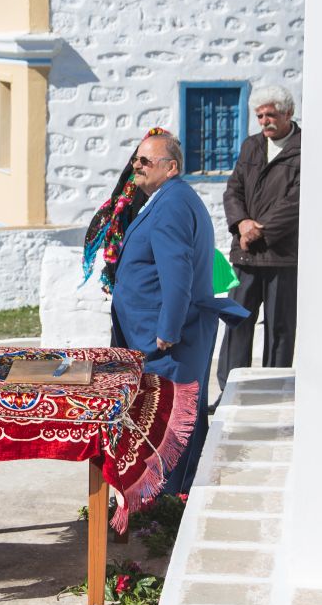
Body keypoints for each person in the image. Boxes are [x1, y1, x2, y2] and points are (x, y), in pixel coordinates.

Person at [110, 132, 248, 494]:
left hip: (167, 340)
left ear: (170, 168)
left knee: (170, 424)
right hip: (165, 334)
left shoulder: (171, 203)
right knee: (179, 420)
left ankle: (166, 503)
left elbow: (177, 271)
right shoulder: (170, 197)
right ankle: (174, 499)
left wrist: (167, 329)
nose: (136, 167)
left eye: (146, 162)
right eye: (136, 160)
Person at [215, 85, 301, 398]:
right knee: (237, 323)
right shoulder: (251, 146)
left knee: (279, 329)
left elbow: (296, 202)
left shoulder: (303, 148)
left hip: (281, 256)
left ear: (288, 113)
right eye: (259, 115)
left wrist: (260, 230)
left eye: (271, 114)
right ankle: (230, 392)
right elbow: (232, 190)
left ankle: (273, 391)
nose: (264, 121)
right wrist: (241, 223)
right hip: (246, 256)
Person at [82, 127, 172, 295]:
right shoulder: (139, 192)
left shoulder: (161, 191)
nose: (137, 164)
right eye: (138, 160)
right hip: (137, 282)